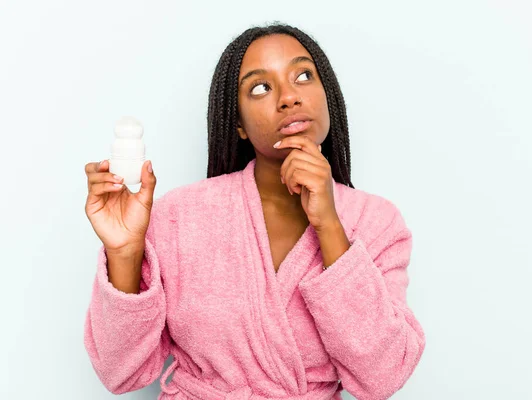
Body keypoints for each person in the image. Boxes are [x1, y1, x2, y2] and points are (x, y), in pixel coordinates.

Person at [83, 23, 425, 400]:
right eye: (261, 87)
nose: (288, 97)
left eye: (303, 75)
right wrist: (125, 252)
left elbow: (384, 376)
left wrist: (329, 225)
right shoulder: (178, 217)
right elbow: (120, 373)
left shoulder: (377, 223)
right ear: (239, 126)